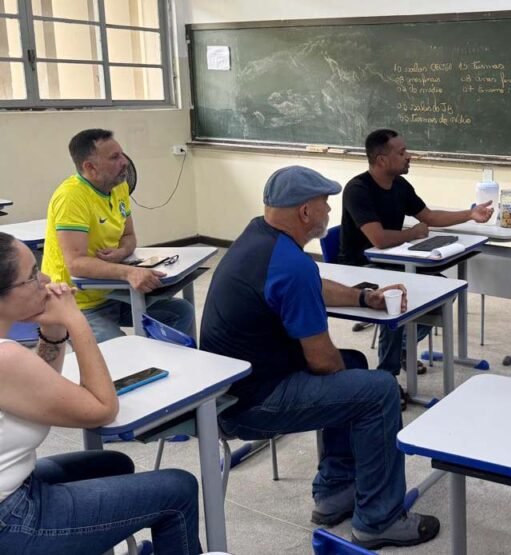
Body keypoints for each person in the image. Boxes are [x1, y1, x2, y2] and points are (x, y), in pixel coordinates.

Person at [199, 165, 440, 550]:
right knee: (377, 390)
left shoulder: (259, 237)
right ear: (305, 212)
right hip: (252, 403)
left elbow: (313, 280)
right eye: (325, 205)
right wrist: (355, 387)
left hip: (233, 387)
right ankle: (380, 519)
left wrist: (363, 297)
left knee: (357, 366)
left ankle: (334, 493)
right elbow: (324, 362)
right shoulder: (288, 265)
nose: (331, 212)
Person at [0, 232, 200, 554]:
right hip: (11, 518)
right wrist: (75, 320)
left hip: (16, 486)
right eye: (33, 277)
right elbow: (103, 409)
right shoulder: (6, 359)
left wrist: (54, 332)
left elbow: (38, 391)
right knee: (179, 489)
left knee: (113, 464)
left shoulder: (10, 361)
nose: (47, 280)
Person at [340, 128, 493, 377]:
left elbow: (429, 216)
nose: (408, 156)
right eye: (402, 152)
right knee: (396, 298)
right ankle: (387, 376)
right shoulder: (358, 190)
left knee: (442, 291)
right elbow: (378, 239)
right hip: (360, 266)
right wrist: (413, 234)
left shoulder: (399, 185)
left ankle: (402, 348)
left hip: (392, 261)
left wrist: (470, 214)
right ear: (382, 160)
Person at [41, 129, 194, 342]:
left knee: (181, 311)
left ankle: (157, 364)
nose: (124, 162)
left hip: (112, 292)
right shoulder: (71, 198)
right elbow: (76, 264)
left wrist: (121, 251)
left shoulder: (118, 187)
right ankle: (140, 366)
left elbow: (129, 235)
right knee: (117, 355)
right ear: (89, 167)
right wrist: (127, 273)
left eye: (122, 154)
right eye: (114, 157)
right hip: (77, 302)